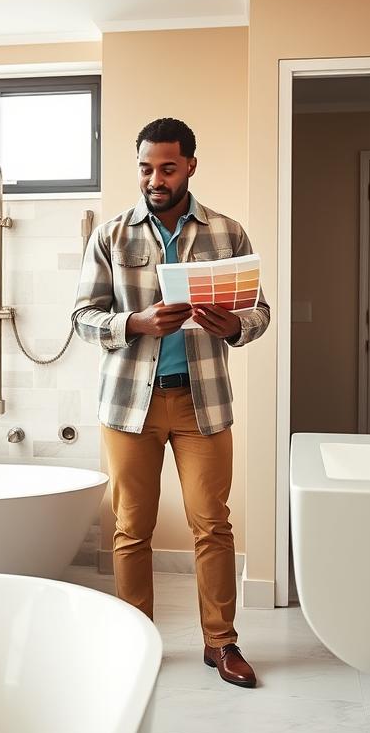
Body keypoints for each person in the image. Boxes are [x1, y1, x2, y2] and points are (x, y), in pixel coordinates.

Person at [72, 117, 270, 688]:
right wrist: (135, 321)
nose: (154, 179)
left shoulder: (227, 234)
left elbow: (259, 313)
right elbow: (83, 317)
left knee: (213, 525)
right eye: (145, 168)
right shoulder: (112, 235)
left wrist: (235, 323)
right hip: (129, 406)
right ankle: (137, 640)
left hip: (202, 405)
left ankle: (221, 643)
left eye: (166, 167)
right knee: (132, 528)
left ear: (189, 166)